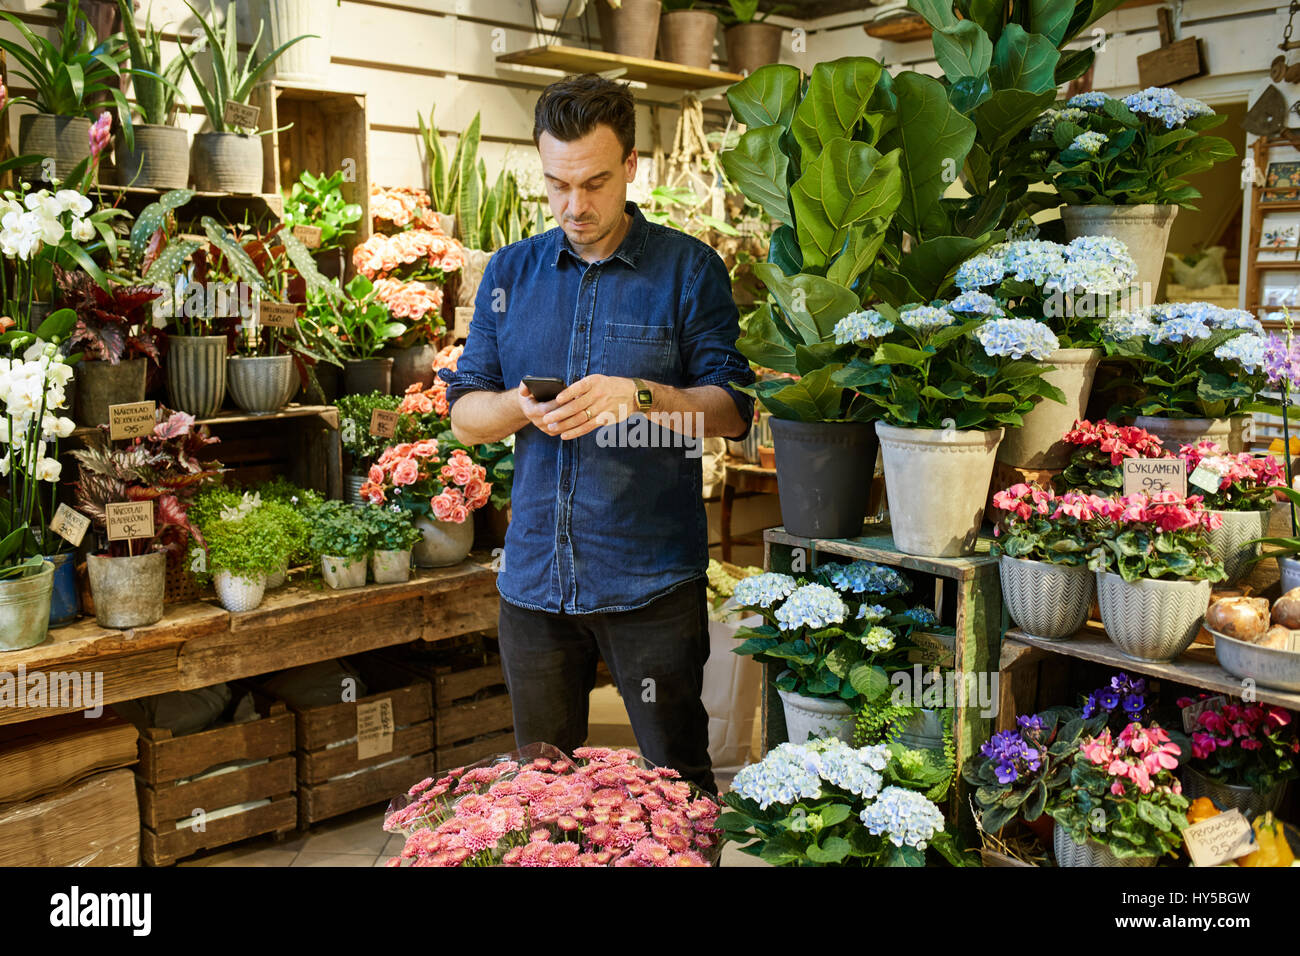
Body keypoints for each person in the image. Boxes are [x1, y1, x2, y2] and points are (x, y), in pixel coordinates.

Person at [439, 73, 755, 794]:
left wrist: (641, 396)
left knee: (679, 792)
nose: (574, 206)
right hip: (535, 587)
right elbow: (464, 418)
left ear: (632, 169)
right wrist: (520, 406)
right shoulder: (508, 274)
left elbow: (733, 410)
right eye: (556, 185)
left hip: (650, 585)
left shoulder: (688, 270)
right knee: (542, 796)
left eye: (594, 184)